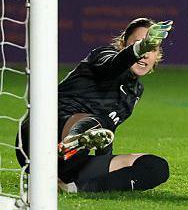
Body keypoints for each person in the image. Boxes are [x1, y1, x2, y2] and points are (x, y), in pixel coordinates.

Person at [16, 18, 173, 193]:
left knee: (155, 167)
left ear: (157, 55)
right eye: (140, 44)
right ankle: (66, 147)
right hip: (39, 136)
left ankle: (71, 187)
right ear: (123, 44)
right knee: (94, 123)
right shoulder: (103, 55)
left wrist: (103, 165)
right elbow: (113, 65)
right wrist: (137, 50)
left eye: (151, 48)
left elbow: (106, 136)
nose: (145, 54)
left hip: (74, 159)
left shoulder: (135, 91)